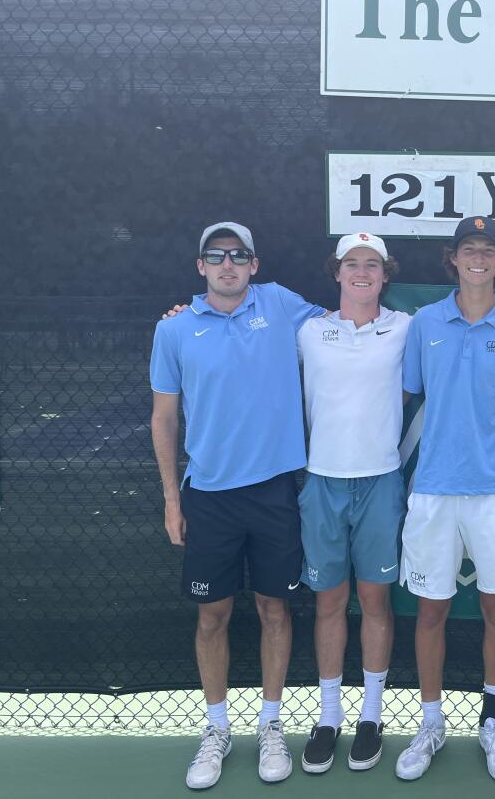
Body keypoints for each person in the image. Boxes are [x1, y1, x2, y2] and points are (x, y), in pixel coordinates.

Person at [150, 222, 325, 790]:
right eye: (216, 256)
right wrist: (173, 500)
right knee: (213, 617)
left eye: (239, 255)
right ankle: (217, 730)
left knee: (276, 612)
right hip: (209, 497)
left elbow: (351, 319)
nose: (228, 264)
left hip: (276, 490)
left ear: (255, 263)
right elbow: (165, 418)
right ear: (201, 265)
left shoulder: (281, 305)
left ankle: (271, 725)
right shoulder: (174, 330)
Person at [394, 215, 495, 784]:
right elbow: (411, 393)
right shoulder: (424, 324)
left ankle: (494, 722)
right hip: (432, 491)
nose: (478, 258)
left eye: (488, 250)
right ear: (453, 258)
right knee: (430, 611)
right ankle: (430, 723)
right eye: (468, 249)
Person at [296, 232, 409, 774]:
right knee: (328, 604)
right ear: (336, 272)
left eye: (372, 264)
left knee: (377, 603)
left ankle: (370, 715)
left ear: (385, 275)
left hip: (382, 483)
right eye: (351, 263)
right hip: (322, 483)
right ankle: (329, 717)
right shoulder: (308, 331)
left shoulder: (405, 328)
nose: (361, 271)